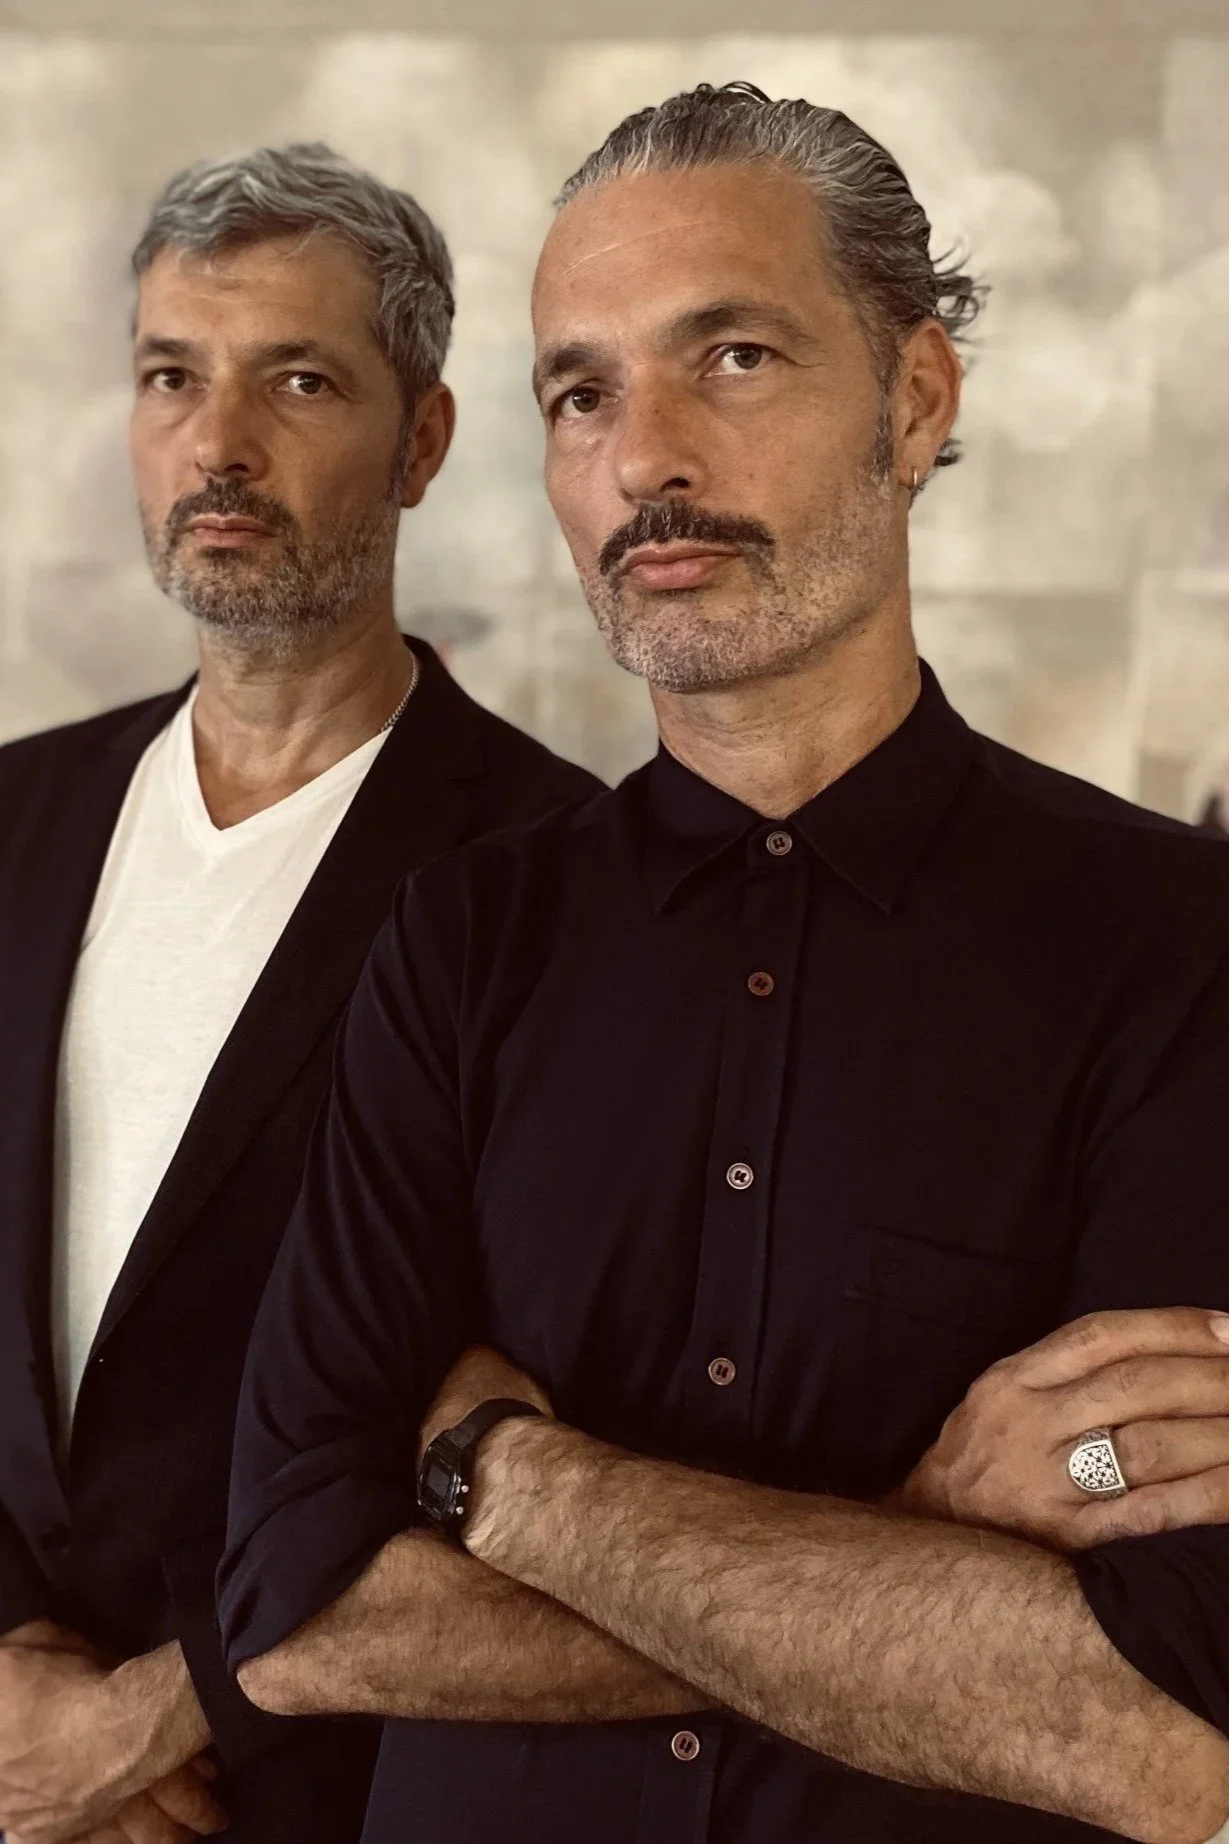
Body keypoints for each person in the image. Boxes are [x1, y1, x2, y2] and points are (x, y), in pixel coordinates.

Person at [220, 86, 1229, 1844]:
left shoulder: (1176, 944)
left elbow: (1154, 1729)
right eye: (581, 392)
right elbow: (301, 1617)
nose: (644, 457)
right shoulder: (458, 939)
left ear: (916, 402)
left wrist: (500, 1478)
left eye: (737, 356)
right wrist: (925, 1532)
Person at [0, 143, 598, 1844]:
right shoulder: (14, 820)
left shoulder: (564, 874)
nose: (218, 444)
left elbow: (542, 1415)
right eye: (171, 377)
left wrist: (151, 1714)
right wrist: (20, 1680)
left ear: (422, 443)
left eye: (300, 380)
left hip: (345, 1787)